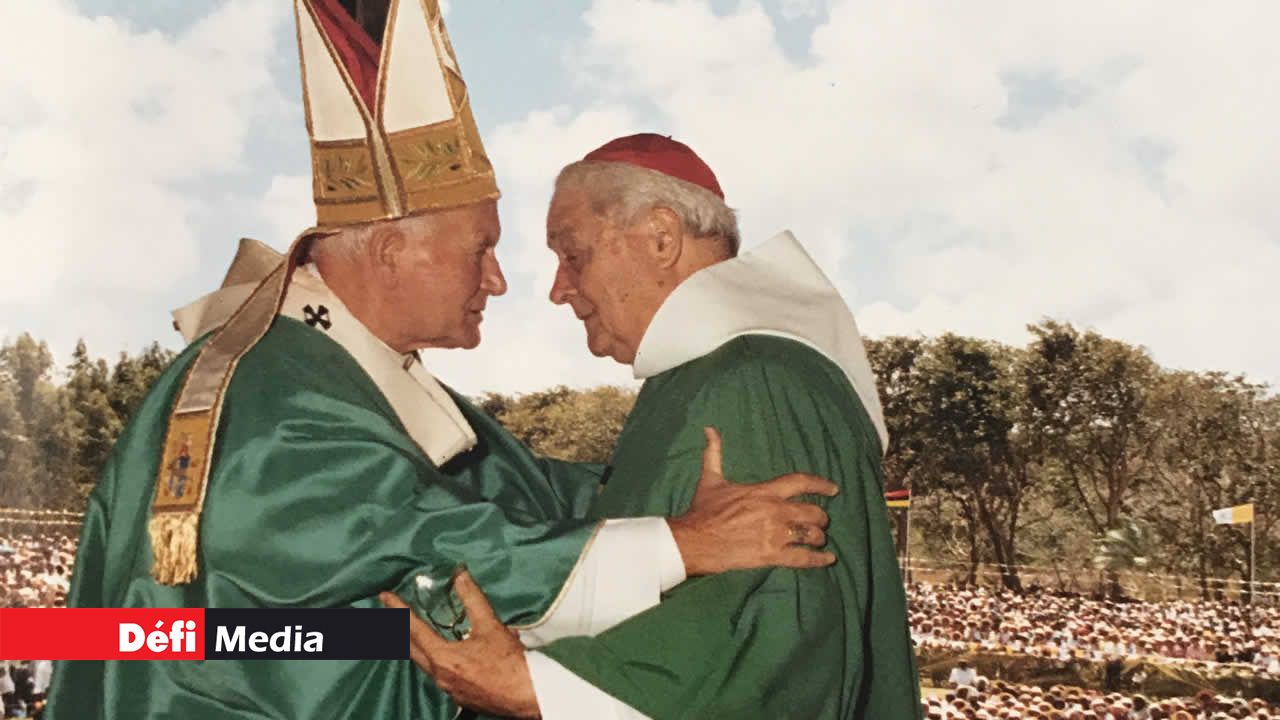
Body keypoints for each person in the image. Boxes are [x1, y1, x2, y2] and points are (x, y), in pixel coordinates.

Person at [43, 5, 837, 719]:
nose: (497, 279)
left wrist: (658, 488)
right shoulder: (279, 400)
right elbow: (440, 542)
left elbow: (510, 485)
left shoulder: (338, 371)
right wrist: (686, 543)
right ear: (392, 250)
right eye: (480, 250)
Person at [388, 134, 922, 718]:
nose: (558, 289)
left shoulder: (753, 379)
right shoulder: (710, 377)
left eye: (572, 255)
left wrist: (531, 688)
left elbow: (771, 638)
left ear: (661, 238)